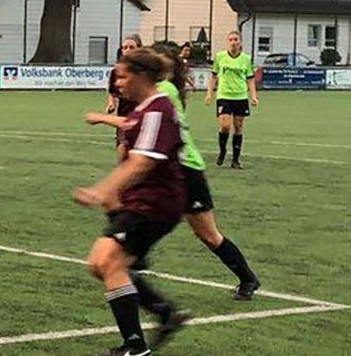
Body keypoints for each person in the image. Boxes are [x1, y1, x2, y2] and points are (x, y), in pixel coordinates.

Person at [86, 45, 261, 300]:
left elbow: (133, 122)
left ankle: (247, 278)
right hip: (165, 169)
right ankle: (133, 252)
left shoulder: (162, 91)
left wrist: (101, 118)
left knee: (208, 234)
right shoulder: (162, 90)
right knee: (119, 199)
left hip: (185, 168)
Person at [72, 48, 191, 356]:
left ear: (140, 75)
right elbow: (129, 127)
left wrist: (100, 192)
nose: (118, 83)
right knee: (101, 263)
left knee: (107, 260)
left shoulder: (156, 110)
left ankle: (136, 346)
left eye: (123, 76)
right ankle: (164, 313)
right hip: (143, 203)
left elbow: (140, 165)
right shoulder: (145, 110)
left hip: (154, 205)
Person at [206, 30, 259, 168]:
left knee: (238, 127)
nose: (233, 42)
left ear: (240, 42)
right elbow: (213, 76)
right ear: (227, 42)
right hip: (224, 95)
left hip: (240, 96)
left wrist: (253, 96)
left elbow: (250, 79)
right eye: (231, 39)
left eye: (236, 39)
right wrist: (209, 93)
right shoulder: (220, 57)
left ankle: (235, 160)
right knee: (224, 126)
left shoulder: (246, 59)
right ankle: (222, 150)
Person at [103, 35, 143, 152]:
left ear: (139, 49)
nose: (128, 50)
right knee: (123, 150)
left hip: (142, 116)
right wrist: (111, 104)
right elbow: (113, 93)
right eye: (125, 47)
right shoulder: (116, 71)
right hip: (123, 117)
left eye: (132, 47)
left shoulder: (145, 71)